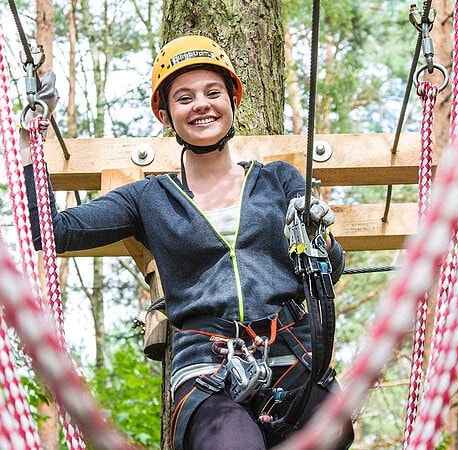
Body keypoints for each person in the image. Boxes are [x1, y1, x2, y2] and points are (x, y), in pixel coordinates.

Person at [20, 35, 354, 450]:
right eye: (184, 97)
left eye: (213, 93)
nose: (201, 104)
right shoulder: (149, 199)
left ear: (233, 101)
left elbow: (328, 270)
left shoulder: (278, 181)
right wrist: (30, 143)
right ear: (165, 114)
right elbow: (50, 231)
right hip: (208, 365)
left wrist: (319, 236)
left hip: (291, 351)